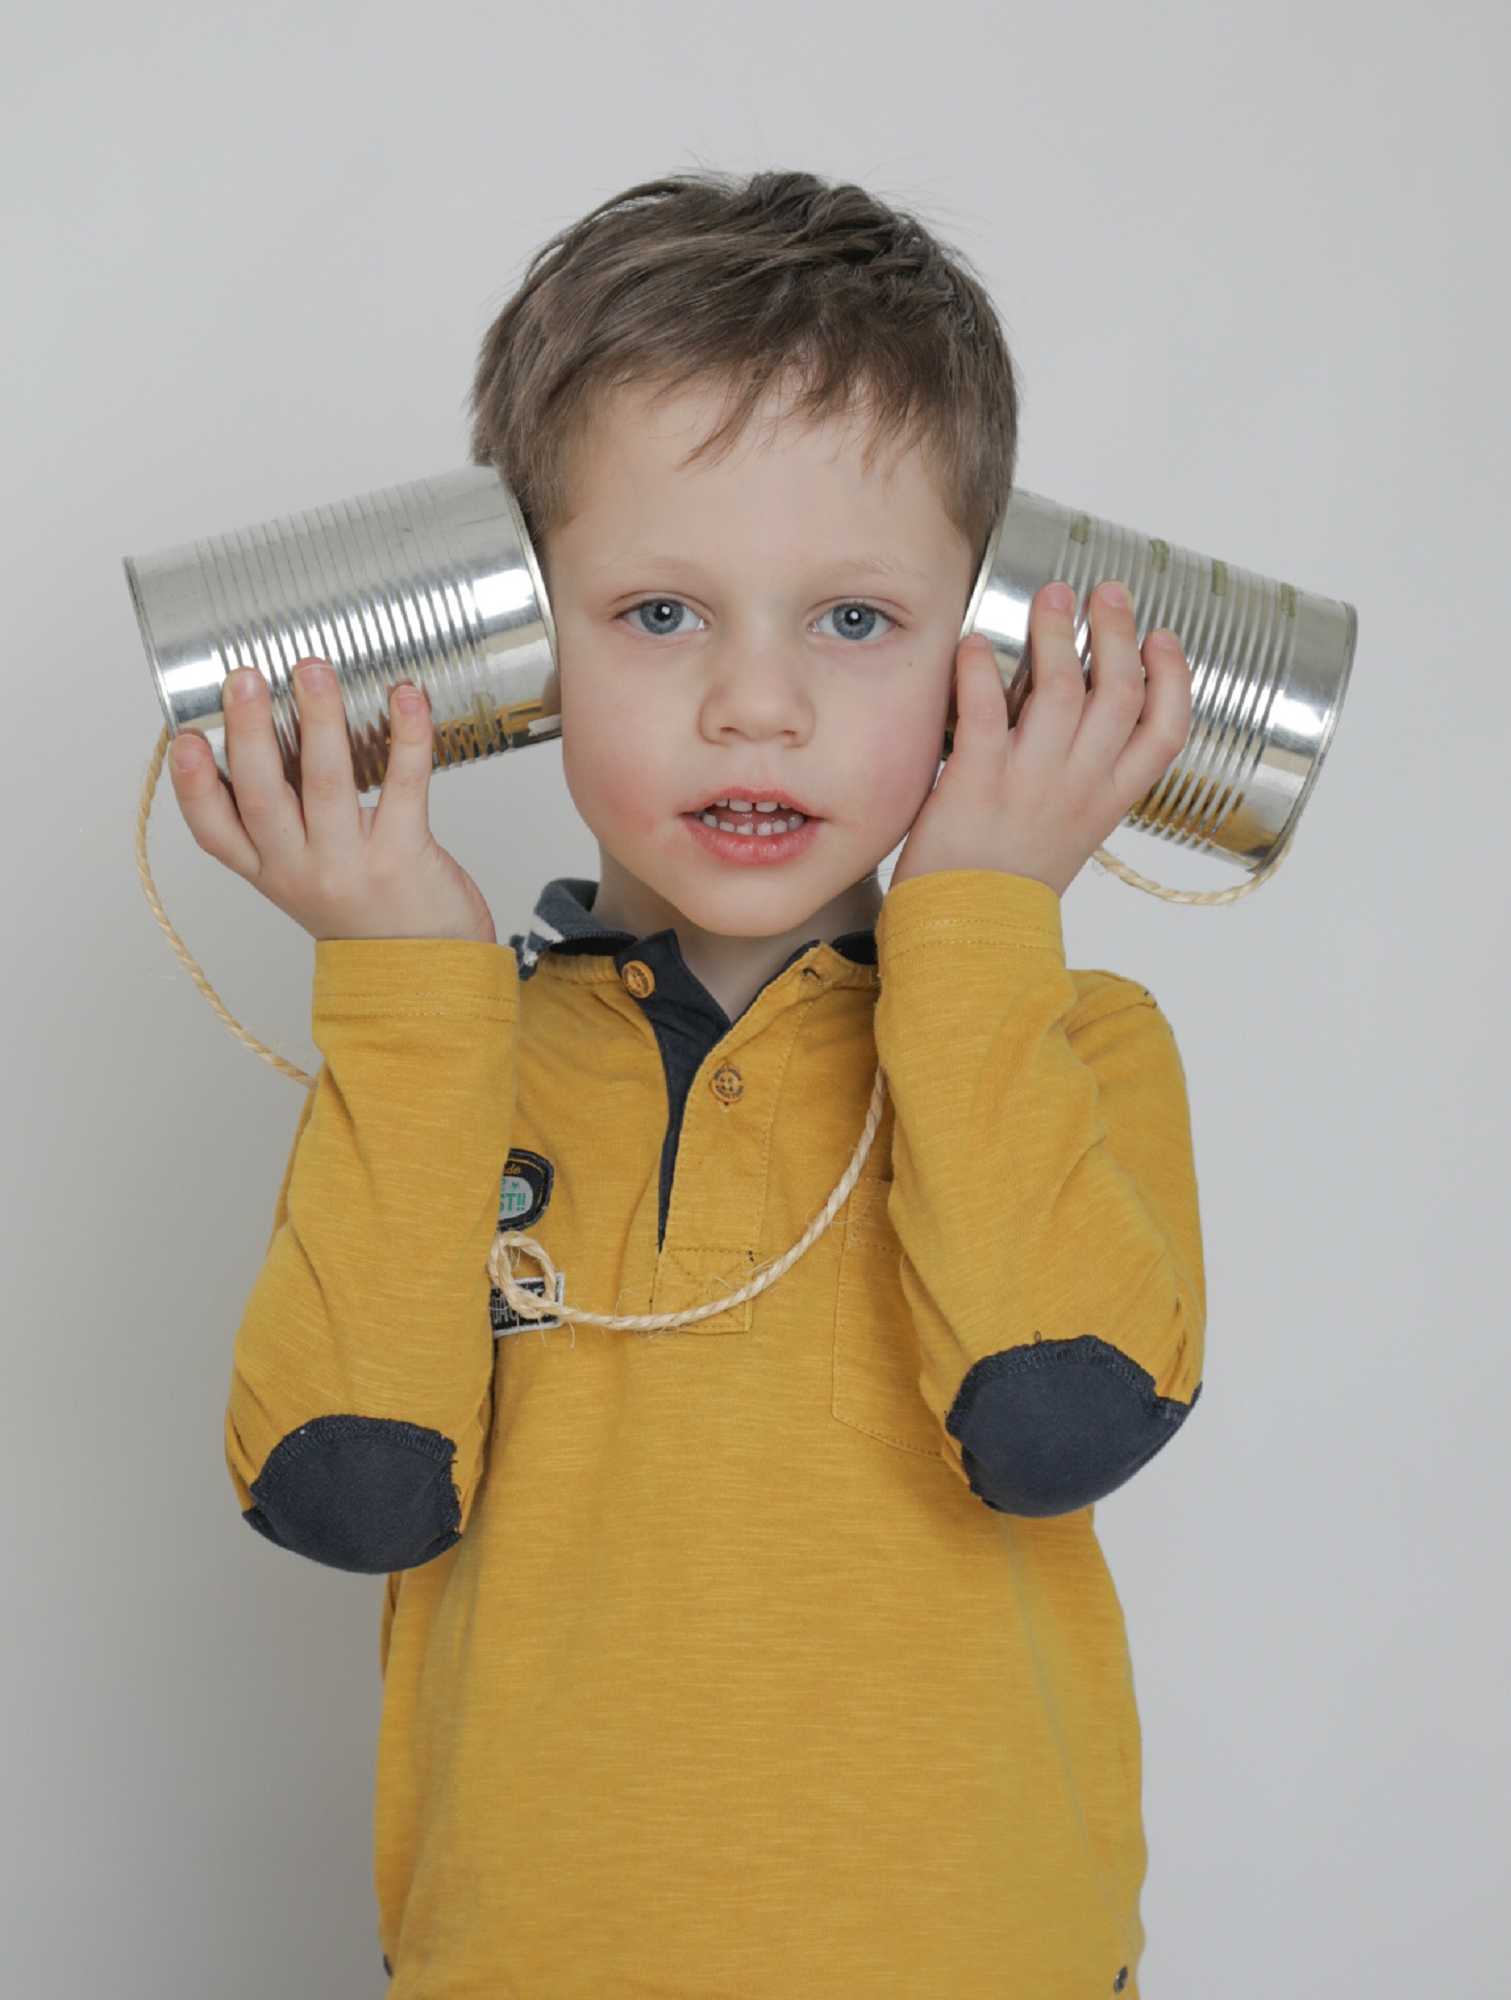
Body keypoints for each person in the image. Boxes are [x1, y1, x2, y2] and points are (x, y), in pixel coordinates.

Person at [172, 167, 1204, 1998]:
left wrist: (975, 928)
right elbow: (351, 1492)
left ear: (983, 657)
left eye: (857, 622)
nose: (757, 705)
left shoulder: (1069, 1036)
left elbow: (1053, 1425)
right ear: (519, 637)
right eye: (658, 614)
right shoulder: (440, 1055)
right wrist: (403, 981)